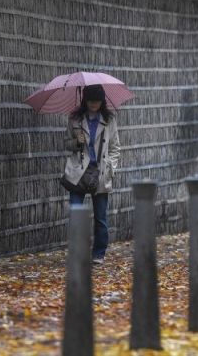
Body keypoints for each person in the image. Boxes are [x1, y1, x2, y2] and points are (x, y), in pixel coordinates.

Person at [62, 84, 121, 264]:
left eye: (97, 101)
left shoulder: (109, 120)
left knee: (100, 217)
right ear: (85, 100)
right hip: (79, 171)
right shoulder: (75, 119)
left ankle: (99, 253)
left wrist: (110, 167)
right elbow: (66, 143)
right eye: (90, 100)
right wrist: (76, 142)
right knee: (76, 213)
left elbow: (115, 148)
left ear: (102, 101)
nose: (94, 104)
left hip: (100, 171)